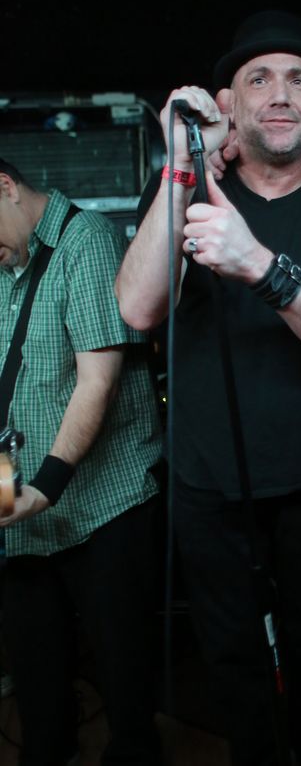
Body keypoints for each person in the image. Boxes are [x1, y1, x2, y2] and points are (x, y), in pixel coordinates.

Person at [115, 10, 301, 766]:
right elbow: (137, 309)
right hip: (207, 483)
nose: (280, 93)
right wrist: (180, 165)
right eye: (258, 79)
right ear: (228, 104)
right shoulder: (185, 186)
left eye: (298, 80)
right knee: (232, 657)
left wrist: (258, 265)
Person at [0, 159, 164, 766]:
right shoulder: (6, 257)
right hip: (22, 515)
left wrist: (45, 486)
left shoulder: (87, 241)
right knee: (38, 695)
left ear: (6, 187)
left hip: (101, 508)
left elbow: (99, 381)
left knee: (126, 694)